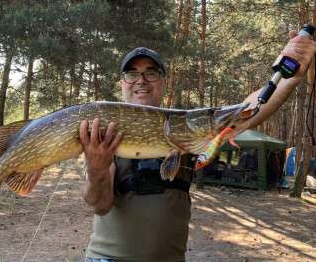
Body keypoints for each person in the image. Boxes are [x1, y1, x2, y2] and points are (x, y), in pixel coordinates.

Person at [80, 30, 316, 262]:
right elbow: (100, 205)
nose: (141, 80)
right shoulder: (104, 128)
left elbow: (248, 110)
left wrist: (287, 77)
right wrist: (96, 169)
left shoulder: (189, 130)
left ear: (163, 81)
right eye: (132, 74)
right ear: (122, 82)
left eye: (151, 73)